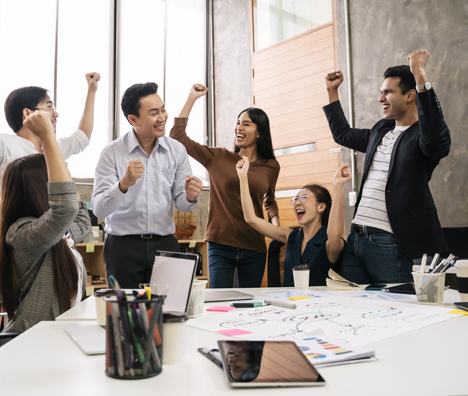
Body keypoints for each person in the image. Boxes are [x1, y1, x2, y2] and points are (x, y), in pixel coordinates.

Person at [323, 49, 451, 284]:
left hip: (389, 242)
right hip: (356, 240)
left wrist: (419, 74)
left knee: (397, 310)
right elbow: (342, 134)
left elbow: (435, 135)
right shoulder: (380, 131)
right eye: (381, 92)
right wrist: (332, 91)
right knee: (351, 308)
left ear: (410, 95)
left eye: (388, 92)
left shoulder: (424, 137)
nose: (381, 98)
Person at [0, 31, 100, 197]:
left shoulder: (52, 147)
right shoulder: (5, 146)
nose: (56, 115)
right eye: (49, 107)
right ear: (28, 113)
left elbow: (82, 137)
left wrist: (92, 90)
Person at [91, 82, 202, 289]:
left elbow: (183, 205)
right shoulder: (112, 152)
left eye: (163, 110)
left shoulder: (176, 150)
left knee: (171, 312)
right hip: (122, 246)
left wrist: (189, 196)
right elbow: (98, 208)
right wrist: (123, 184)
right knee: (126, 315)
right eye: (153, 113)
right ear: (133, 119)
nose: (162, 118)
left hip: (165, 243)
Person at [171, 84, 280, 288]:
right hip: (220, 244)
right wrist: (191, 98)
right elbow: (178, 138)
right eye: (238, 123)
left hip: (254, 245)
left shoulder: (271, 166)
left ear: (259, 133)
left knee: (249, 306)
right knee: (220, 302)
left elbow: (270, 201)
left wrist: (277, 230)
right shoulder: (218, 157)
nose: (239, 127)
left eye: (246, 124)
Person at [0, 111, 91, 334]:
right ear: (42, 188)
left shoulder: (57, 232)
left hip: (58, 336)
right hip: (31, 342)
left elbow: (82, 222)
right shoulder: (22, 234)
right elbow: (66, 209)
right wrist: (48, 137)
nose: (65, 178)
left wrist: (64, 173)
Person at [237, 158, 350, 286]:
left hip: (317, 305)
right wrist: (242, 177)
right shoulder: (290, 237)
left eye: (303, 198)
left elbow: (334, 233)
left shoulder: (330, 244)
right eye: (295, 199)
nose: (297, 203)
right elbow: (251, 219)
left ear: (321, 207)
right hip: (288, 303)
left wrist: (338, 186)